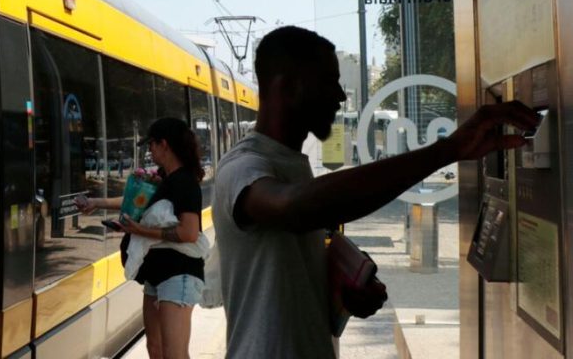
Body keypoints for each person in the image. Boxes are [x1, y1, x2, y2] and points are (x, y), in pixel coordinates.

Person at [212, 26, 541, 359]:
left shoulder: (290, 163)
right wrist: (446, 150)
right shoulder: (242, 167)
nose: (340, 96)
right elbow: (294, 209)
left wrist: (340, 289)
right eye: (328, 81)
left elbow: (282, 265)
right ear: (287, 87)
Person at [76, 117, 206, 359]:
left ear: (164, 144)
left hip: (180, 274)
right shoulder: (162, 177)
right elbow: (136, 202)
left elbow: (189, 232)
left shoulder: (185, 182)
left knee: (174, 354)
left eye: (151, 145)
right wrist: (96, 203)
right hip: (156, 274)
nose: (150, 150)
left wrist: (139, 230)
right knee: (154, 347)